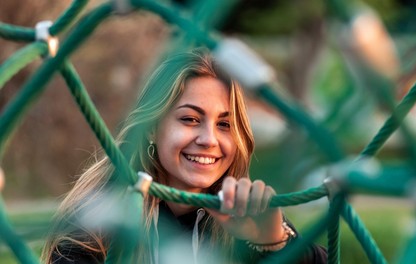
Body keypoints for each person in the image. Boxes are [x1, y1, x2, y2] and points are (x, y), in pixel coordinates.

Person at [41, 49, 327, 263]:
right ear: (151, 129)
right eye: (190, 119)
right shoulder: (99, 221)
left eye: (225, 125)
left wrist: (273, 243)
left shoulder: (244, 214)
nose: (208, 140)